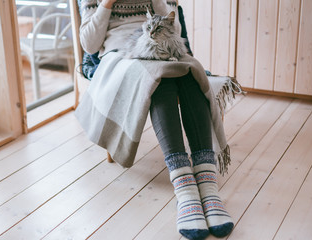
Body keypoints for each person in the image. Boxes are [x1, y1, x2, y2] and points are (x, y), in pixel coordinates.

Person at [75, 0, 234, 239]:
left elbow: (175, 30)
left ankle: (208, 186)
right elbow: (89, 45)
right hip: (122, 54)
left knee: (191, 74)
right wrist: (107, 3)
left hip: (166, 46)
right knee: (159, 76)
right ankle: (185, 189)